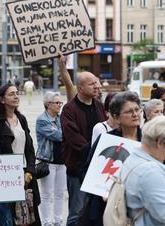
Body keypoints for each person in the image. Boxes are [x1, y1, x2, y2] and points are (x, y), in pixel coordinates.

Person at [82, 91, 142, 226]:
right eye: (129, 111)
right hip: (105, 207)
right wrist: (100, 190)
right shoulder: (106, 140)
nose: (135, 114)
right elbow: (86, 172)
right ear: (116, 117)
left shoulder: (148, 141)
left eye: (137, 109)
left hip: (139, 208)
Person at [0, 84, 41, 226]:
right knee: (12, 217)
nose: (16, 96)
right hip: (7, 177)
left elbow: (30, 149)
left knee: (31, 217)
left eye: (17, 93)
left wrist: (30, 171)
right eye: (11, 94)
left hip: (26, 174)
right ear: (1, 99)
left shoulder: (21, 118)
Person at [60, 71, 106, 226]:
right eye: (92, 83)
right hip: (77, 168)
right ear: (80, 88)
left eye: (96, 83)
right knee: (76, 213)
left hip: (98, 168)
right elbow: (73, 138)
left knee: (94, 210)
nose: (96, 86)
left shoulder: (99, 106)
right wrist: (94, 152)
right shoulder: (69, 109)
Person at [36, 91, 66, 226]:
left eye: (61, 102)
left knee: (60, 193)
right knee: (47, 194)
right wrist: (61, 132)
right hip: (48, 161)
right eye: (57, 103)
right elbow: (60, 136)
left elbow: (66, 134)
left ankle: (58, 221)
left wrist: (60, 131)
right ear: (48, 104)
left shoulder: (61, 118)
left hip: (63, 161)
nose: (60, 105)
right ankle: (47, 222)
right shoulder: (42, 120)